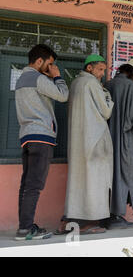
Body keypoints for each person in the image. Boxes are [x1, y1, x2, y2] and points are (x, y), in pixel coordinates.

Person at [14, 44, 69, 240]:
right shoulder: (37, 78)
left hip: (27, 137)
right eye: (50, 63)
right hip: (42, 138)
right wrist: (57, 76)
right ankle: (26, 229)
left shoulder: (21, 79)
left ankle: (24, 227)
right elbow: (63, 95)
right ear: (39, 61)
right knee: (34, 185)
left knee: (27, 185)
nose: (50, 67)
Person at [57, 54, 114, 235]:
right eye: (100, 69)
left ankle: (69, 221)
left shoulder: (74, 84)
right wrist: (107, 95)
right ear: (89, 68)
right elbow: (106, 112)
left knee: (78, 183)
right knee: (95, 183)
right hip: (94, 141)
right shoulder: (92, 84)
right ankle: (91, 222)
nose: (102, 74)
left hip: (78, 142)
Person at [102, 59, 133, 229]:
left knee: (110, 176)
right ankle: (116, 216)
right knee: (124, 174)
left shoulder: (107, 84)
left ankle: (107, 214)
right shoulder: (129, 86)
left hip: (107, 139)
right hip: (125, 140)